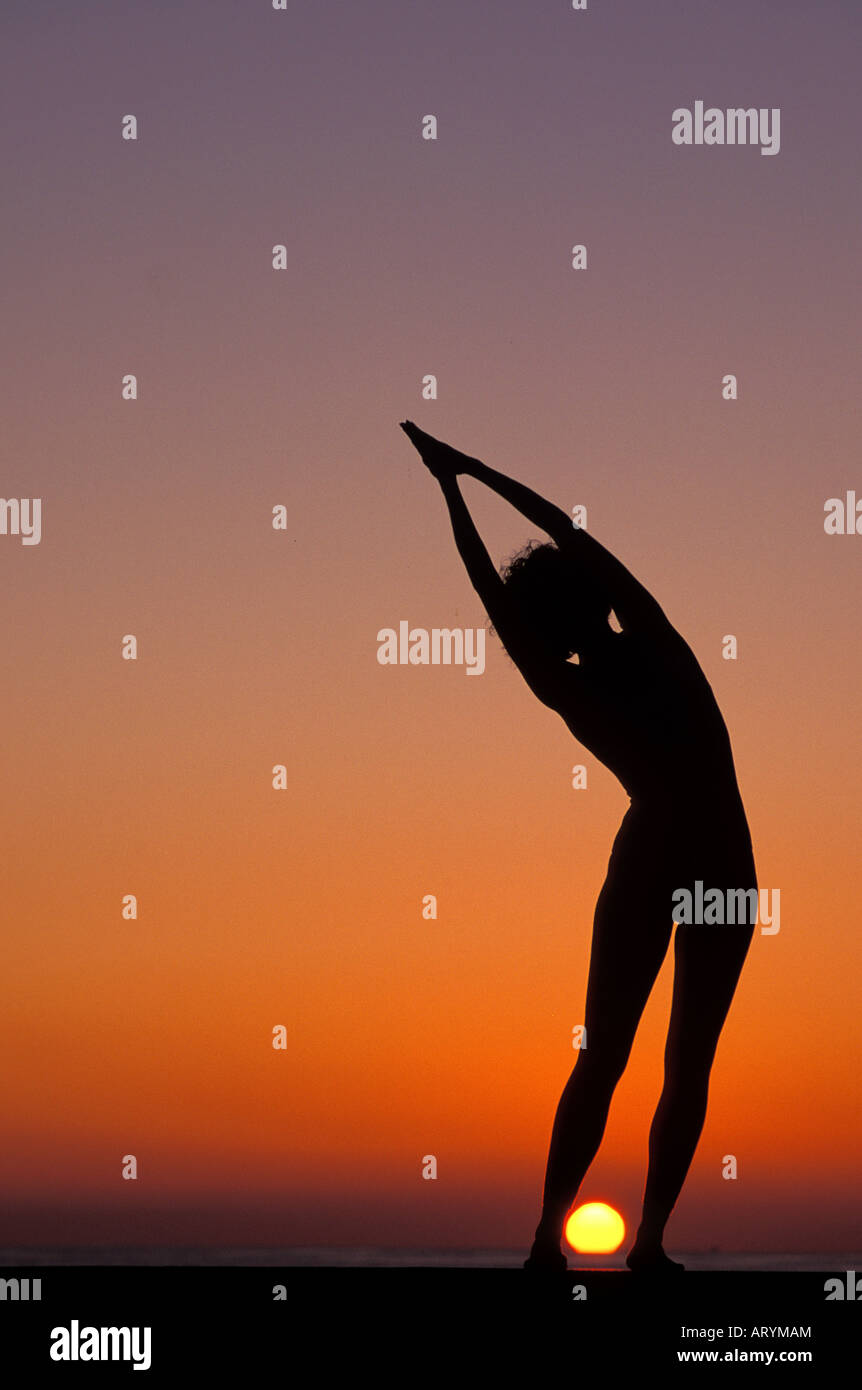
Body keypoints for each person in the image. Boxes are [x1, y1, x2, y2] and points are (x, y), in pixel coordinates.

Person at [399, 420, 757, 1273]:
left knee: (609, 1056)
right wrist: (471, 471)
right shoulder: (659, 641)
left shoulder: (560, 679)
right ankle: (647, 1243)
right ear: (589, 600)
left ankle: (549, 1241)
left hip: (655, 860)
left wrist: (450, 487)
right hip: (718, 864)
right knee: (682, 1063)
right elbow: (568, 532)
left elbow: (494, 587)